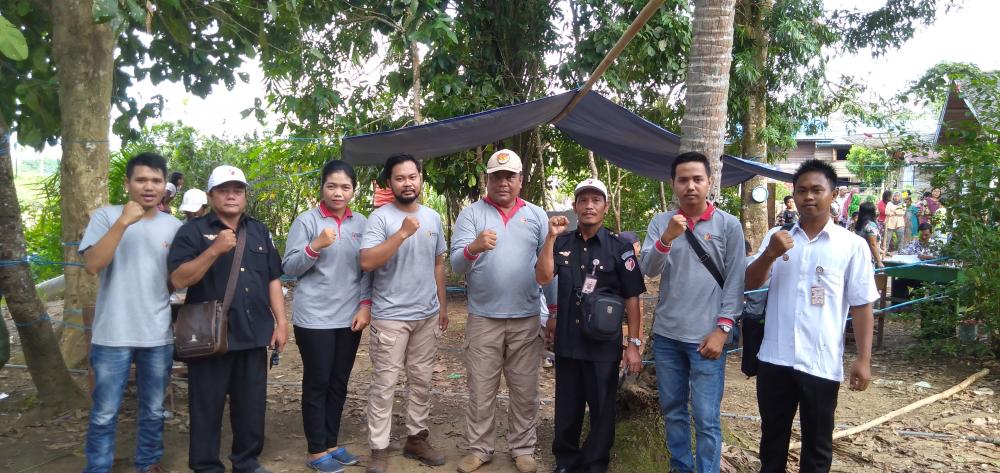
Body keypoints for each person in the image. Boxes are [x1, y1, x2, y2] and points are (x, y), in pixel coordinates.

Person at [746, 159, 878, 473]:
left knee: (818, 447)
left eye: (817, 190)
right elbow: (750, 283)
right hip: (775, 359)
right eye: (802, 190)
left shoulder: (852, 246)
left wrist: (863, 359)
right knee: (772, 442)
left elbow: (862, 305)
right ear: (794, 194)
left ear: (833, 195)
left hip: (820, 362)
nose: (809, 197)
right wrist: (769, 254)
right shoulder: (777, 238)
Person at [168, 165, 288, 473]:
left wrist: (281, 323)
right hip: (209, 336)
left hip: (253, 333)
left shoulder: (259, 230)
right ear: (210, 196)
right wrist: (214, 251)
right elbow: (179, 279)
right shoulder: (192, 232)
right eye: (223, 190)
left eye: (237, 190)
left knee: (251, 406)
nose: (231, 195)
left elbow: (273, 278)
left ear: (245, 196)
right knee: (206, 406)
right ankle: (206, 466)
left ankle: (246, 462)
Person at [639, 152, 746, 473]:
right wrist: (667, 237)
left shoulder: (728, 225)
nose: (690, 186)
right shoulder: (661, 222)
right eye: (683, 180)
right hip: (668, 337)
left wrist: (723, 329)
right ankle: (680, 468)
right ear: (673, 184)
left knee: (706, 417)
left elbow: (736, 280)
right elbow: (648, 268)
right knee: (673, 411)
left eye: (697, 179)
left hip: (707, 339)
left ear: (709, 183)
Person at [79, 152, 183, 473]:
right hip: (112, 333)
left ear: (165, 185)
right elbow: (93, 265)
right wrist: (124, 222)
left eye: (155, 180)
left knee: (153, 409)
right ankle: (98, 467)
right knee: (105, 410)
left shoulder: (175, 226)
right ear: (127, 184)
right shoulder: (105, 217)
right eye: (141, 180)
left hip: (157, 333)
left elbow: (179, 279)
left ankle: (148, 463)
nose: (148, 187)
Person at [535, 178, 645, 473]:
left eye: (596, 200)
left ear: (605, 207)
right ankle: (566, 462)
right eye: (583, 200)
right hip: (569, 342)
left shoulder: (619, 247)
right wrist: (549, 238)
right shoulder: (562, 242)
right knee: (567, 408)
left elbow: (633, 298)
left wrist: (634, 345)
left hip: (603, 346)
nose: (589, 206)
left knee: (602, 409)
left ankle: (595, 464)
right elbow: (543, 277)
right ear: (575, 207)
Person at [449, 150, 550, 473]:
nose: (503, 182)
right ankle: (479, 448)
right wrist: (473, 247)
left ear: (521, 180)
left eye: (510, 176)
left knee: (525, 390)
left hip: (526, 317)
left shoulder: (536, 215)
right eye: (497, 176)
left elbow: (548, 268)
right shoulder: (472, 215)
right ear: (488, 180)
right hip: (483, 318)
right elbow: (455, 265)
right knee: (480, 388)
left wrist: (556, 311)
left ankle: (522, 449)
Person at [360, 154, 448, 473]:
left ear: (421, 178)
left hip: (426, 314)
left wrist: (442, 305)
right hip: (391, 316)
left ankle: (416, 437)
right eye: (400, 178)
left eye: (412, 176)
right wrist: (401, 234)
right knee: (385, 383)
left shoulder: (433, 217)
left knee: (421, 380)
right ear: (390, 183)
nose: (407, 183)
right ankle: (379, 448)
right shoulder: (380, 219)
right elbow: (367, 262)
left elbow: (438, 263)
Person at [282, 160, 372, 473]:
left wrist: (365, 304)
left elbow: (367, 269)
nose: (338, 192)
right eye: (332, 185)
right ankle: (316, 450)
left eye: (345, 186)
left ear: (353, 189)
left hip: (350, 317)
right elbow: (289, 268)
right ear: (321, 187)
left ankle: (332, 443)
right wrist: (315, 245)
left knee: (338, 382)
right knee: (318, 381)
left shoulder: (361, 223)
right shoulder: (307, 221)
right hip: (314, 317)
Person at [855, 201, 883, 268]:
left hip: (859, 256)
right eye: (875, 209)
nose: (877, 211)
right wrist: (879, 261)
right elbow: (872, 244)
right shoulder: (870, 225)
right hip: (868, 258)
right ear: (871, 212)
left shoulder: (859, 223)